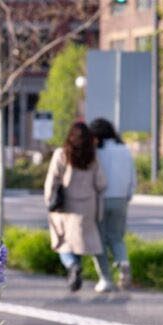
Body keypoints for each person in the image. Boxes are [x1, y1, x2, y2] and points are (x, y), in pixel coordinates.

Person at [44, 122, 107, 292]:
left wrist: (49, 200)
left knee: (63, 242)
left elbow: (53, 179)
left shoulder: (61, 154)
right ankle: (75, 272)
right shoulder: (92, 156)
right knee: (78, 241)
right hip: (87, 205)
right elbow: (101, 183)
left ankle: (72, 266)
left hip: (65, 205)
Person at [89, 118, 135, 291]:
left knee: (98, 241)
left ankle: (105, 279)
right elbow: (132, 174)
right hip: (121, 198)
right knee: (116, 237)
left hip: (100, 199)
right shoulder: (124, 149)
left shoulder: (95, 152)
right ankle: (123, 262)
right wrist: (128, 194)